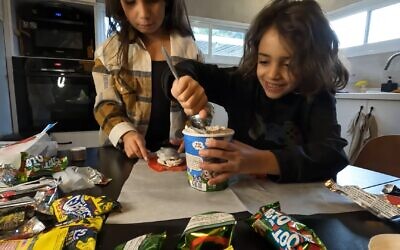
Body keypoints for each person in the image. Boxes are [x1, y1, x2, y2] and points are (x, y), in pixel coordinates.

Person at [162, 0, 349, 183]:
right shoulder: (242, 82)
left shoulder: (317, 95)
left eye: (288, 64)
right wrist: (183, 82)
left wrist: (261, 161)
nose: (273, 74)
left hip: (301, 204)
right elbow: (190, 69)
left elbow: (332, 154)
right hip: (245, 195)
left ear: (310, 64)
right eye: (264, 61)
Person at [92, 0, 203, 160]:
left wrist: (194, 131)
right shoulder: (108, 53)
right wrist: (126, 133)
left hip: (177, 157)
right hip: (123, 157)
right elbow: (104, 104)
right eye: (130, 2)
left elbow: (201, 107)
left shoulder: (191, 50)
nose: (144, 14)